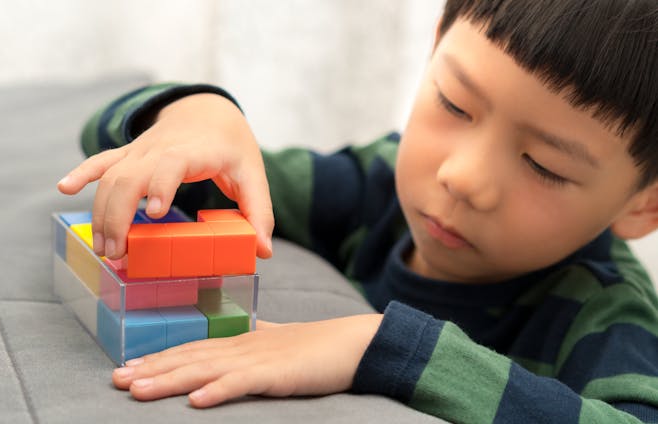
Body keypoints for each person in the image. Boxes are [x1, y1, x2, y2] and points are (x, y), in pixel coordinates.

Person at [57, 0, 658, 421]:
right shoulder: (374, 186)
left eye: (545, 165)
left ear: (643, 204)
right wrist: (193, 115)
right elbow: (111, 141)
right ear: (432, 53)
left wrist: (382, 345)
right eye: (454, 103)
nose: (462, 177)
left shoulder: (609, 314)